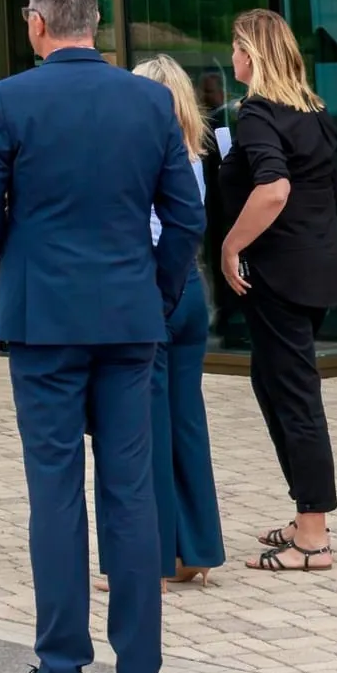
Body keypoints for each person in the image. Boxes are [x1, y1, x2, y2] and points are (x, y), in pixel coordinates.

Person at [0, 0, 203, 673]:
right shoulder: (149, 99)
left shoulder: (12, 98)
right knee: (130, 492)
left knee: (55, 491)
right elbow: (185, 218)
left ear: (37, 23)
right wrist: (153, 293)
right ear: (93, 22)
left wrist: (24, 253)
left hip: (44, 322)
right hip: (129, 318)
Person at [221, 8, 337, 576]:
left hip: (276, 275)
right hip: (316, 270)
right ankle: (306, 512)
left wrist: (230, 246)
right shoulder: (313, 111)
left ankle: (314, 537)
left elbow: (273, 189)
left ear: (253, 54)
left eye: (236, 46)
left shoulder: (257, 114)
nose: (231, 56)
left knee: (295, 397)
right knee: (272, 383)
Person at [128, 56, 224, 585]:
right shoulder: (192, 153)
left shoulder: (146, 157)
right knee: (187, 422)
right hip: (191, 289)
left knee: (148, 426)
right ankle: (199, 549)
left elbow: (147, 230)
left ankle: (159, 558)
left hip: (156, 290)